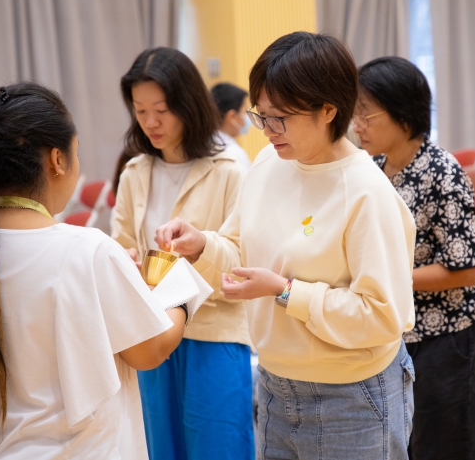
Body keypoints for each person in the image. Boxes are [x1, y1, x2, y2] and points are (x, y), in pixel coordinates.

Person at [154, 32, 417, 460]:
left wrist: (286, 291)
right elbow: (240, 253)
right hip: (276, 385)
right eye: (262, 116)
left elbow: (381, 316)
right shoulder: (269, 163)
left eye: (281, 118)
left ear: (328, 110)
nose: (267, 131)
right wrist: (202, 245)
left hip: (351, 396)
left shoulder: (366, 191)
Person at [0, 82, 190, 459]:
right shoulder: (88, 251)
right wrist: (178, 295)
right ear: (57, 159)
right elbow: (149, 351)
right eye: (76, 152)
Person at [353, 56, 475, 460]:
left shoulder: (442, 172)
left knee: (450, 444)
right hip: (400, 331)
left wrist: (385, 277)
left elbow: (467, 270)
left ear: (403, 113)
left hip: (451, 335)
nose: (357, 125)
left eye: (365, 114)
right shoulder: (373, 169)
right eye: (354, 113)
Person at [111, 48, 251, 460]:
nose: (150, 122)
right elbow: (122, 243)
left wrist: (202, 245)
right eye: (140, 111)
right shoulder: (135, 172)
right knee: (159, 449)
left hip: (213, 336)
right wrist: (126, 261)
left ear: (188, 104)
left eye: (161, 110)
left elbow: (242, 266)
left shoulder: (230, 168)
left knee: (219, 449)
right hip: (151, 336)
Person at [211, 82, 252, 170]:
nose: (247, 117)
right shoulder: (234, 154)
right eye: (245, 111)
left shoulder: (207, 145)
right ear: (232, 117)